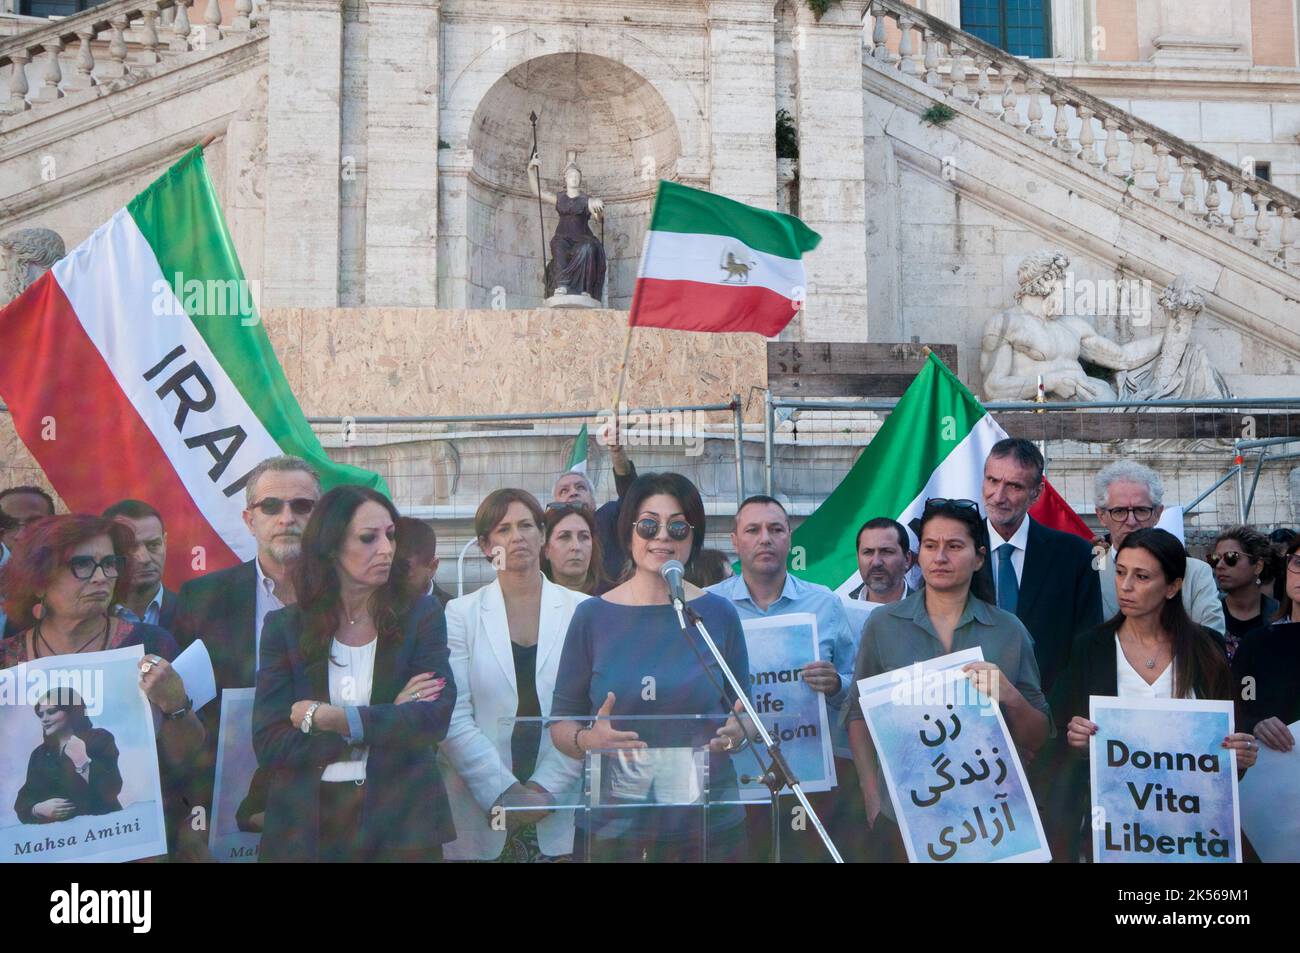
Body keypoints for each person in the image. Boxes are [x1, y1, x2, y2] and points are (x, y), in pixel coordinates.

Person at [549, 472, 751, 863]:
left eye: (677, 527)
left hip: (707, 825)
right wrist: (588, 741)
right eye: (648, 525)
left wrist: (738, 733)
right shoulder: (592, 616)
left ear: (693, 537)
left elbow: (746, 714)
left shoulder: (718, 615)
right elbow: (561, 724)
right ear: (629, 534)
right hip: (613, 826)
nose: (662, 537)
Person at [251, 485, 456, 862]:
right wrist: (374, 721)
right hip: (306, 830)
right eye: (368, 538)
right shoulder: (285, 627)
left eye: (391, 535)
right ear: (331, 546)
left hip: (402, 829)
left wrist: (335, 719)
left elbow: (432, 718)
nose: (386, 549)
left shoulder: (421, 615)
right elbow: (269, 741)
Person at [846, 499, 1051, 862]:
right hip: (905, 818)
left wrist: (1011, 698)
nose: (940, 557)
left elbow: (1039, 734)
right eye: (930, 545)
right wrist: (871, 791)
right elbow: (859, 714)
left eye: (954, 546)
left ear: (979, 557)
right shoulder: (882, 625)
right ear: (917, 556)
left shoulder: (1007, 630)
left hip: (991, 822)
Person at [0, 514, 205, 853]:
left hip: (138, 846)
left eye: (110, 564)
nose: (102, 577)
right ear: (39, 581)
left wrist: (176, 704)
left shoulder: (151, 644)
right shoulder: (7, 658)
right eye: (82, 565)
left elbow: (189, 756)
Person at [1057, 528, 1257, 862]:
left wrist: (1241, 754)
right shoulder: (1090, 648)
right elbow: (1064, 732)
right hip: (1119, 834)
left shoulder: (1207, 648)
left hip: (1196, 831)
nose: (1126, 586)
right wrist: (1076, 739)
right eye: (1120, 572)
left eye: (1142, 576)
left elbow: (1229, 742)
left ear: (1173, 587)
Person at [170, 454, 323, 859]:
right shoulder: (202, 599)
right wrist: (191, 815)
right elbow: (184, 715)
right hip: (222, 805)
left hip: (330, 806)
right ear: (249, 519)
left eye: (302, 506)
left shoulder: (353, 598)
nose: (286, 517)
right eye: (271, 506)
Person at [707, 494, 857, 862]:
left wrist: (837, 684)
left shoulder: (825, 604)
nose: (765, 539)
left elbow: (856, 685)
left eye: (775, 529)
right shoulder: (708, 607)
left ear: (789, 538)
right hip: (733, 777)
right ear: (734, 540)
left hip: (809, 779)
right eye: (753, 530)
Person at [441, 489, 589, 862]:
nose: (517, 536)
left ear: (542, 535)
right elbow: (453, 716)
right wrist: (503, 791)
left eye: (526, 525)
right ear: (485, 545)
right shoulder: (460, 614)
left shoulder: (584, 611)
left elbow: (592, 712)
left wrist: (544, 789)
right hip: (481, 808)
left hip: (560, 807)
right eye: (503, 529)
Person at [978, 439, 1101, 695]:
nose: (998, 496)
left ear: (1037, 491)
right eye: (992, 481)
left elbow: (1087, 645)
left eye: (1014, 486)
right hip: (966, 712)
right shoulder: (954, 550)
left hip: (1048, 716)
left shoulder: (1075, 555)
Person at [1093, 460, 1225, 635]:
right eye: (1119, 511)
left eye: (1141, 510)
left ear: (1157, 514)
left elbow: (1211, 643)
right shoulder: (1089, 574)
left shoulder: (1195, 573)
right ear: (1101, 516)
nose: (1131, 521)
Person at [1231, 535, 1299, 751]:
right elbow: (1238, 706)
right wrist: (1257, 724)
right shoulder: (1257, 643)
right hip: (1270, 770)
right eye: (1297, 563)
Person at [15, 688, 123, 823]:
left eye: (51, 712)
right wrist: (37, 809)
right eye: (40, 715)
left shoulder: (100, 738)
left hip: (104, 827)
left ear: (72, 711)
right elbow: (25, 796)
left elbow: (112, 788)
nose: (44, 719)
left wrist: (82, 761)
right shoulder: (39, 754)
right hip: (60, 838)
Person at [552, 422, 637, 582]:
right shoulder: (547, 531)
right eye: (564, 490)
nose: (573, 492)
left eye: (580, 487)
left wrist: (617, 452)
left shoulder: (608, 517)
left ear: (592, 501)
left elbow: (631, 496)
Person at [102, 499, 177, 630]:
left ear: (165, 543)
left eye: (153, 545)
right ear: (108, 550)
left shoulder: (195, 614)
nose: (144, 559)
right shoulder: (89, 618)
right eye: (130, 547)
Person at [1210, 526, 1280, 660]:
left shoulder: (1280, 618)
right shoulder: (1208, 613)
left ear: (1258, 566)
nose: (1219, 565)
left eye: (1230, 557)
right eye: (1215, 558)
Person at [541, 503, 607, 595]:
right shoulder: (533, 600)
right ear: (546, 549)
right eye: (564, 537)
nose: (576, 547)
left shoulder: (614, 599)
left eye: (584, 537)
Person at [848, 518, 915, 605]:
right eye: (868, 552)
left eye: (887, 552)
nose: (876, 562)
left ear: (907, 559)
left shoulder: (930, 614)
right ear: (858, 558)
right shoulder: (839, 609)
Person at [393, 516, 454, 607]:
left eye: (405, 577)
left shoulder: (450, 609)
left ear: (432, 567)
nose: (396, 582)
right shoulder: (377, 605)